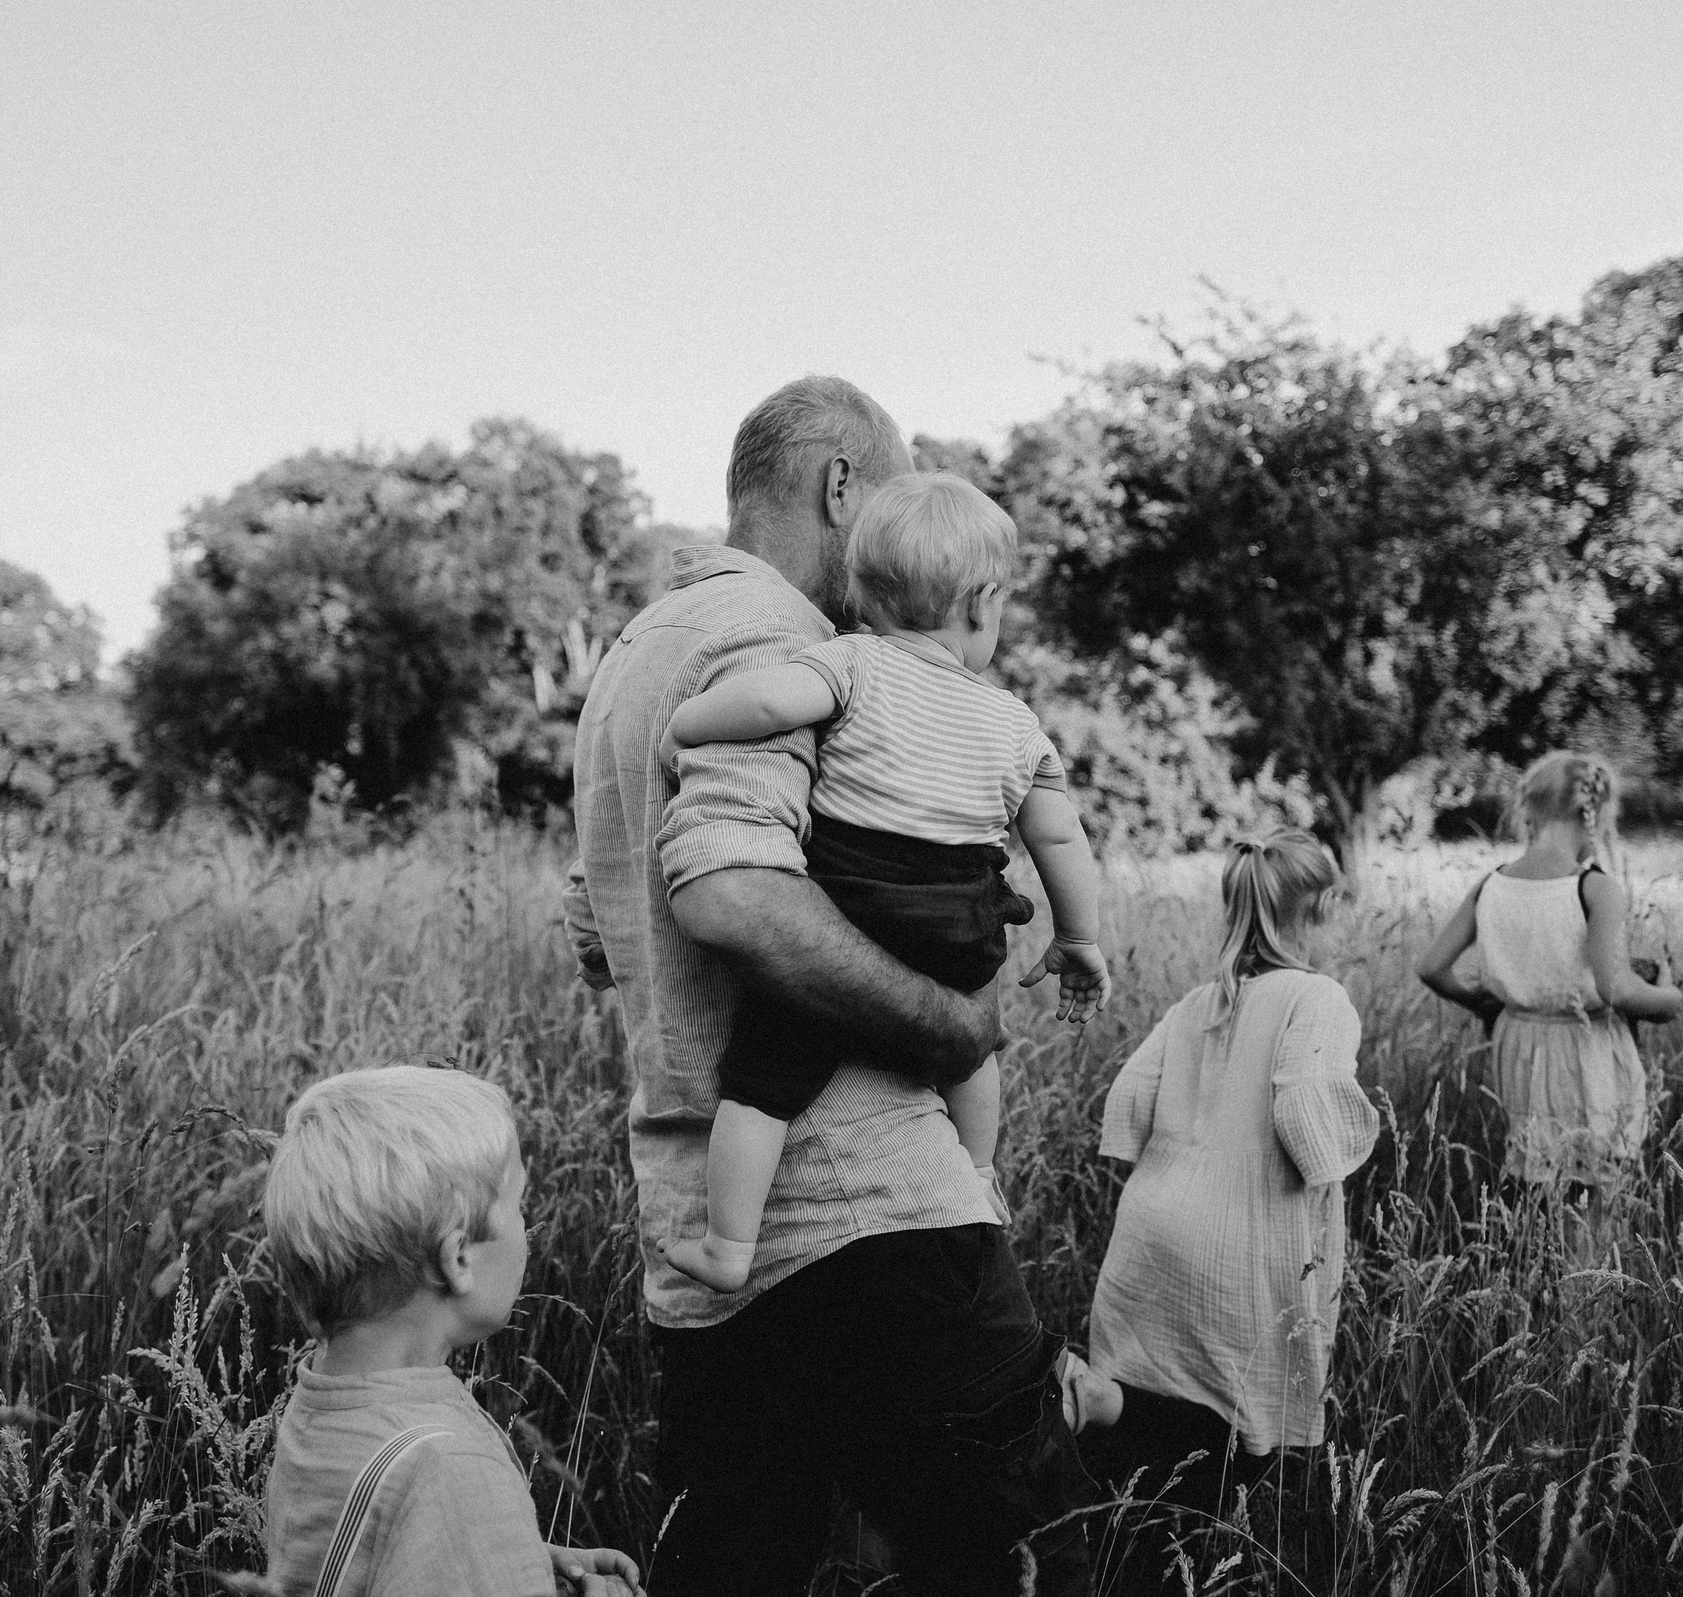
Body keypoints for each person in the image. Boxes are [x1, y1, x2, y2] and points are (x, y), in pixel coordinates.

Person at [564, 375, 1092, 1596]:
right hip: (868, 1209)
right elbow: (728, 891)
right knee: (1015, 1561)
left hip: (705, 1225)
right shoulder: (787, 643)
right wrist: (951, 1021)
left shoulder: (635, 653)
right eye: (893, 499)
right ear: (841, 486)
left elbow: (600, 932)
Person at [654, 469, 1110, 1293]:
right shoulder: (1014, 722)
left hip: (854, 901)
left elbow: (766, 706)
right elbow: (1059, 835)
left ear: (862, 593)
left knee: (761, 1086)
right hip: (959, 919)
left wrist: (688, 718)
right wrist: (1078, 938)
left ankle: (727, 1245)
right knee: (975, 1050)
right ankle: (978, 1174)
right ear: (983, 605)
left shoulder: (851, 662)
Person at [1060, 832, 1378, 1584]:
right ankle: (1191, 1562)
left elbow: (1127, 1101)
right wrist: (1353, 1136)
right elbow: (1305, 1118)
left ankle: (1107, 1423)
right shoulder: (1318, 998)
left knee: (1155, 1400)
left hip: (1151, 1225)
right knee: (1244, 1426)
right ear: (1322, 908)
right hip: (1239, 1240)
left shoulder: (1199, 1003)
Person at [259, 1066, 643, 1597]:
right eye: (518, 1205)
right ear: (458, 1256)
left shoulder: (320, 1413)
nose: (527, 1226)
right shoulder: (451, 1470)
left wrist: (514, 1556)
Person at [1413, 750, 1683, 1201]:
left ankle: (1539, 1245)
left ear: (1529, 810)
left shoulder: (1491, 884)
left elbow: (1431, 967)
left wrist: (1485, 1003)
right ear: (1595, 816)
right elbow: (1616, 989)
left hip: (1520, 1045)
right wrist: (1670, 998)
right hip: (1587, 1050)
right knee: (1601, 1182)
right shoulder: (1596, 888)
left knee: (1539, 1180)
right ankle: (1595, 1247)